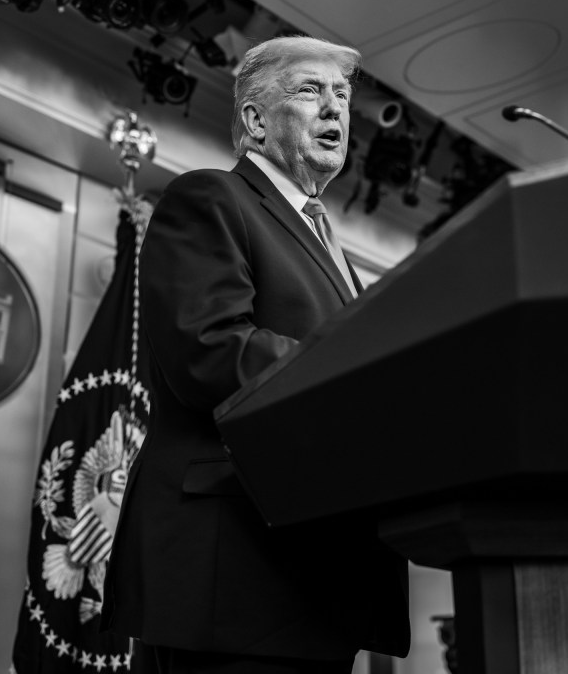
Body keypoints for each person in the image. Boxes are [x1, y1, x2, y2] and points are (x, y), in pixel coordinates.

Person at [99, 36, 411, 674]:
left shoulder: (327, 243)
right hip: (235, 575)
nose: (335, 111)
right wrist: (367, 378)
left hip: (314, 578)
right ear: (254, 120)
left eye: (344, 96)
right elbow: (210, 349)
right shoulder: (211, 198)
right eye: (310, 91)